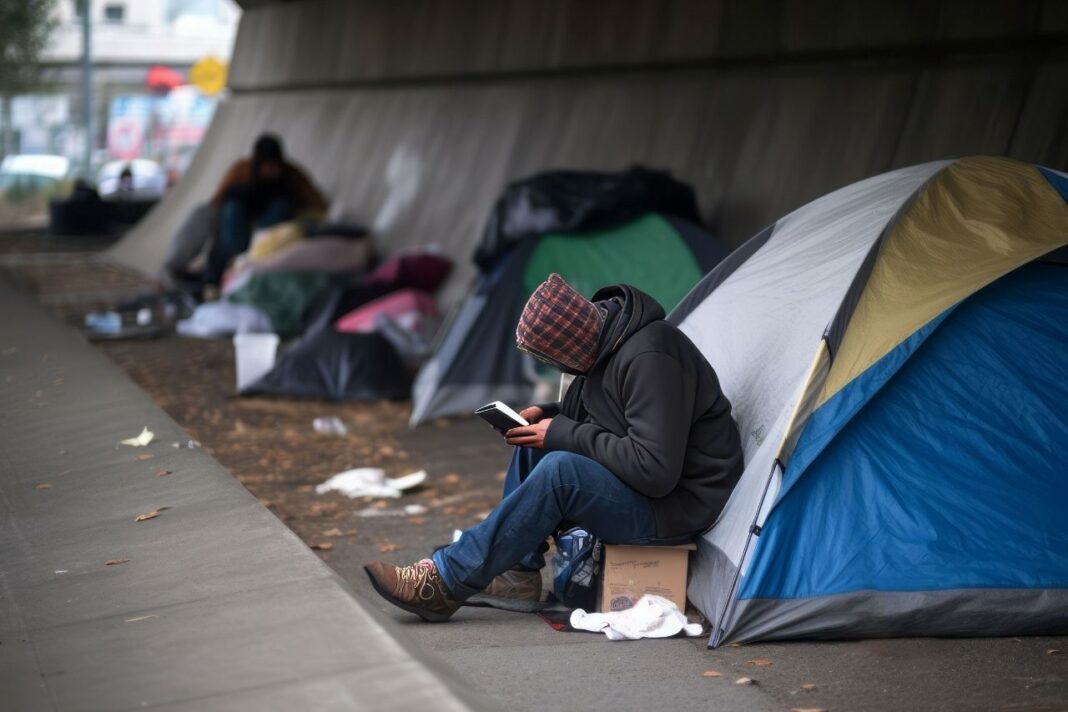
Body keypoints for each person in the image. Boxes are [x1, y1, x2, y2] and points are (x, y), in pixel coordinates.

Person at [365, 273, 745, 621]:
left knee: (561, 470)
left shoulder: (651, 356)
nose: (556, 368)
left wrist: (562, 431)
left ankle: (443, 582)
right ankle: (518, 573)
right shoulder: (607, 341)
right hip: (654, 492)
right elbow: (615, 417)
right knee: (535, 442)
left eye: (555, 359)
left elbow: (655, 470)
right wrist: (551, 415)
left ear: (572, 346)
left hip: (677, 507)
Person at [200, 133, 328, 286]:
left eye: (274, 165)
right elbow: (218, 202)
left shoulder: (291, 176)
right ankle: (214, 279)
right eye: (266, 165)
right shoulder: (241, 171)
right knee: (230, 215)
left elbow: (317, 203)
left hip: (268, 235)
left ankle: (252, 255)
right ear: (258, 163)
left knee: (282, 208)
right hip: (238, 228)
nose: (270, 170)